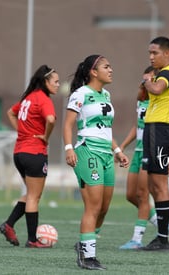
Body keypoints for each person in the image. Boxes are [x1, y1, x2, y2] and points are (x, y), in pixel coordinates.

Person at [63, 54, 129, 270]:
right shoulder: (80, 94)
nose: (111, 70)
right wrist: (69, 148)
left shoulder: (106, 94)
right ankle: (87, 256)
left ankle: (84, 243)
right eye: (106, 67)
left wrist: (118, 150)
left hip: (106, 155)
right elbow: (68, 125)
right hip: (87, 151)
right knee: (92, 206)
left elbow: (104, 129)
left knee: (104, 207)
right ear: (93, 71)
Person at [0, 65, 59, 248]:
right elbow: (50, 120)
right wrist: (46, 137)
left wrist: (22, 131)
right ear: (45, 82)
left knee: (31, 194)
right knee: (34, 196)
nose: (58, 85)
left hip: (19, 153)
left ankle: (9, 225)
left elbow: (11, 112)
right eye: (55, 81)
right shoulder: (43, 99)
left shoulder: (28, 98)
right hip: (34, 153)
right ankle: (33, 240)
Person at [118, 66, 169, 250]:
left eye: (152, 78)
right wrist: (123, 146)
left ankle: (136, 239)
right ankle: (160, 222)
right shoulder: (142, 100)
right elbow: (137, 127)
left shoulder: (160, 102)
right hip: (138, 151)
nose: (148, 81)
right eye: (146, 79)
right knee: (130, 195)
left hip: (151, 151)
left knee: (143, 195)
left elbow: (168, 131)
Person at [140, 36, 169, 251]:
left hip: (160, 130)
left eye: (155, 53)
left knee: (159, 185)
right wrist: (147, 82)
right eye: (149, 53)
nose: (151, 57)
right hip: (154, 130)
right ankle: (161, 234)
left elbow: (155, 90)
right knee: (151, 185)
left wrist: (147, 80)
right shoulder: (162, 74)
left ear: (166, 53)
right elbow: (144, 95)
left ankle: (163, 239)